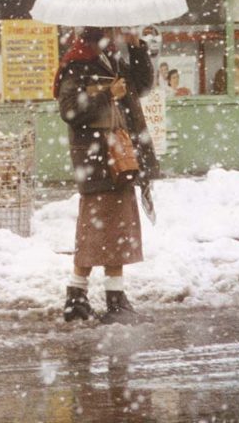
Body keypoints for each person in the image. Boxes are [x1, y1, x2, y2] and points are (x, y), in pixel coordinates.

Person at [55, 25, 159, 323]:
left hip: (118, 155)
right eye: (114, 29)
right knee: (100, 229)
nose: (118, 33)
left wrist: (137, 46)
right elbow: (70, 109)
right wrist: (106, 94)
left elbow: (140, 84)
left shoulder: (109, 58)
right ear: (99, 31)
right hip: (97, 157)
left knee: (112, 229)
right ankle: (108, 299)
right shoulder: (77, 63)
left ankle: (81, 297)